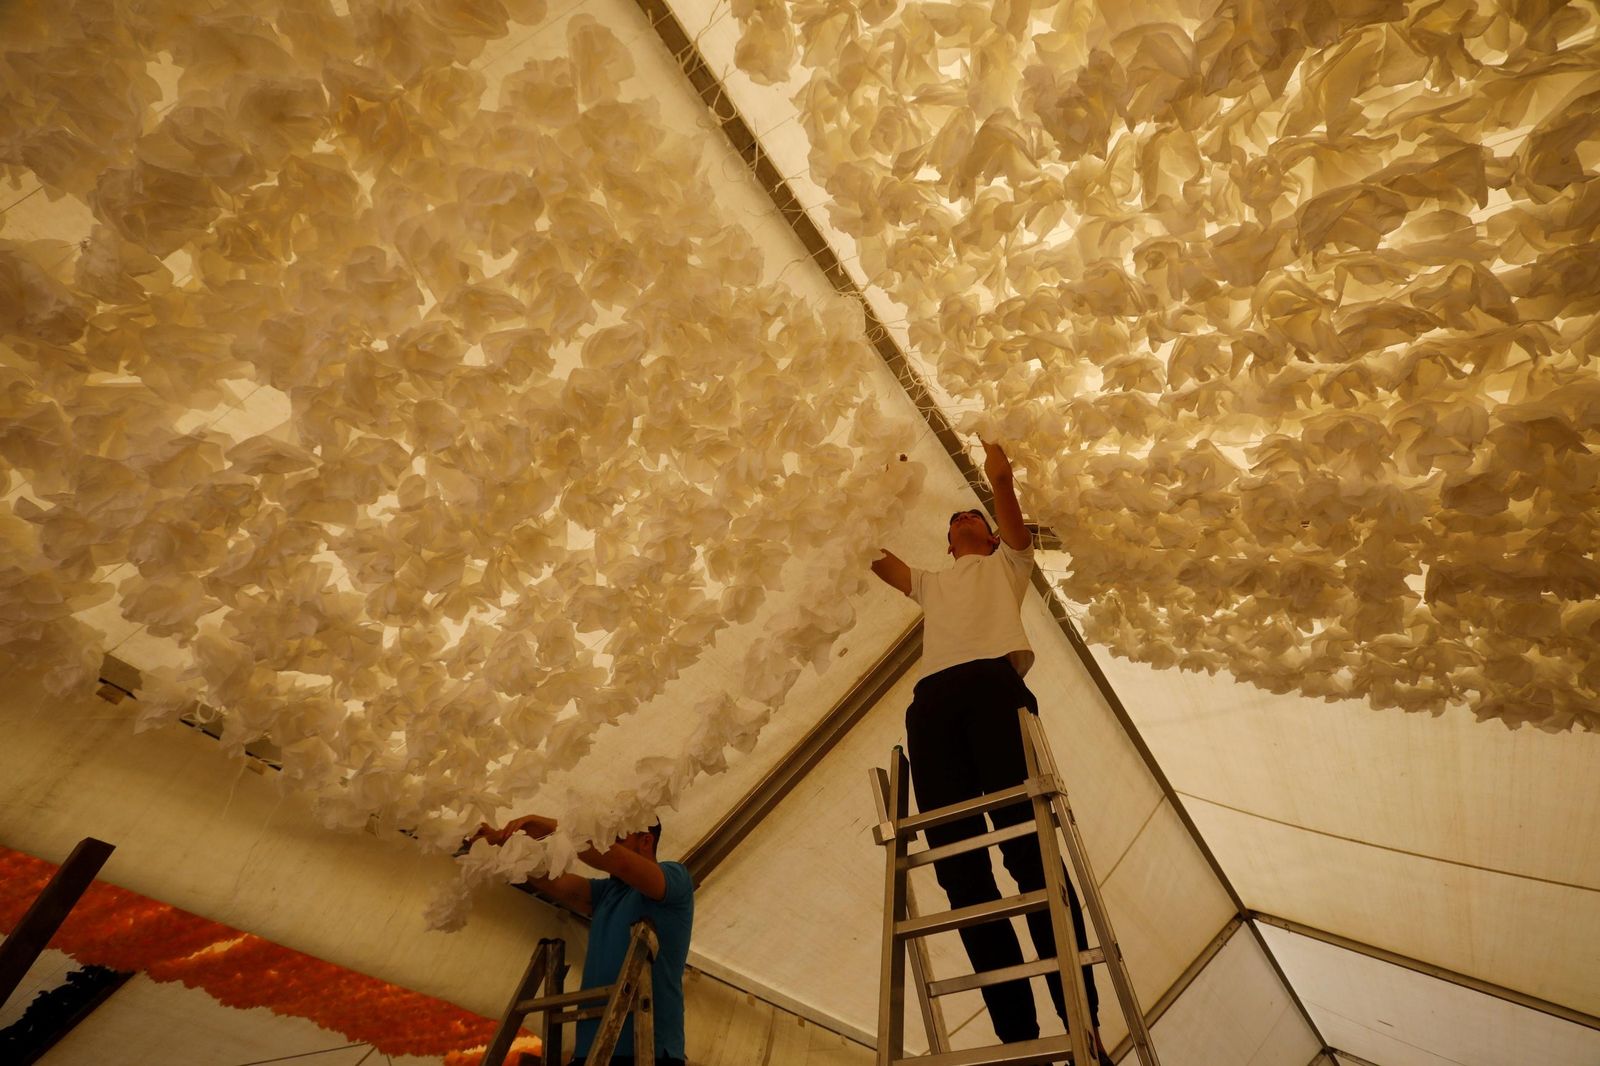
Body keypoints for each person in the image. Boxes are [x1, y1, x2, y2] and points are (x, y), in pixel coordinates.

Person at [871, 440, 1106, 1060]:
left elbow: (1006, 504)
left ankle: (1081, 1020)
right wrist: (864, 496)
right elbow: (875, 558)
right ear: (948, 546)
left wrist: (999, 476)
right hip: (935, 703)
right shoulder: (932, 583)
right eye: (953, 523)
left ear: (993, 536)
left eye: (969, 516)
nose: (961, 521)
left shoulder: (1009, 566)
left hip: (994, 687)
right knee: (958, 865)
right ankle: (1019, 1037)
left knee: (1029, 852)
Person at [474, 815, 694, 1066]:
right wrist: (504, 843)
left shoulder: (675, 877)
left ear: (646, 841)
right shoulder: (606, 892)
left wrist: (555, 828)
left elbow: (619, 862)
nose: (606, 843)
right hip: (593, 1048)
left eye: (618, 838)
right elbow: (550, 880)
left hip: (647, 1049)